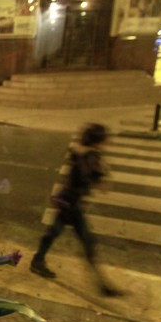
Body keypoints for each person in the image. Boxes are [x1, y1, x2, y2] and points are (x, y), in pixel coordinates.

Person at [30, 122, 121, 297]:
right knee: (87, 241)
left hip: (65, 200)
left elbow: (69, 176)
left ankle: (38, 260)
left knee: (54, 232)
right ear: (98, 140)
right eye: (105, 138)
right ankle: (103, 285)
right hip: (72, 204)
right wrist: (105, 170)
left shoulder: (78, 151)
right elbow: (104, 187)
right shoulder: (93, 158)